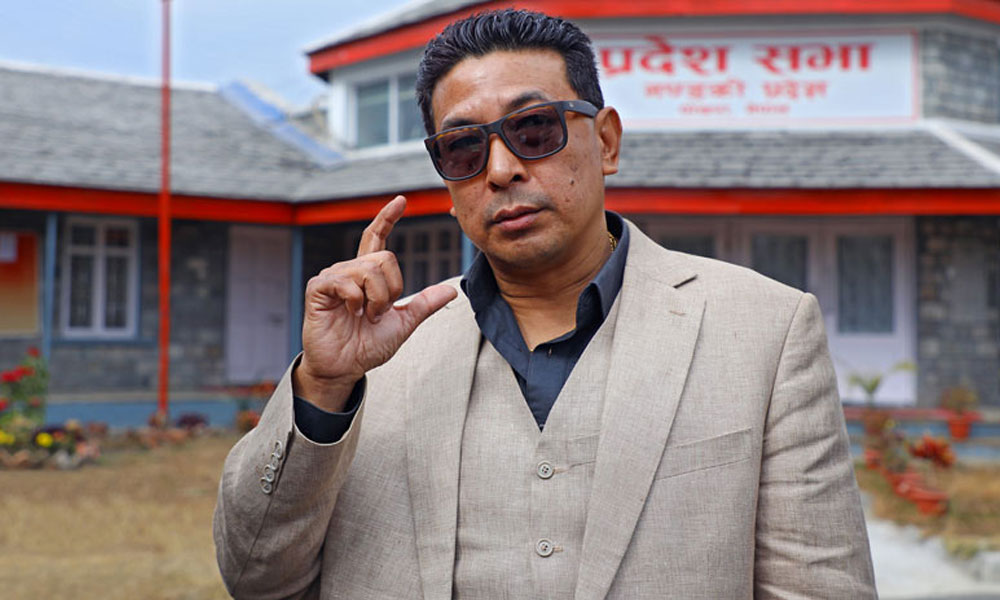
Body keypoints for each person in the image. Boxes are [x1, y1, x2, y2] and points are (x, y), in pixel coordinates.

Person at [214, 9, 876, 599]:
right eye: (464, 147)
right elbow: (256, 577)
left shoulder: (764, 330)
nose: (501, 169)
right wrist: (323, 387)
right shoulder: (377, 353)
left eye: (534, 129)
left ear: (606, 141)